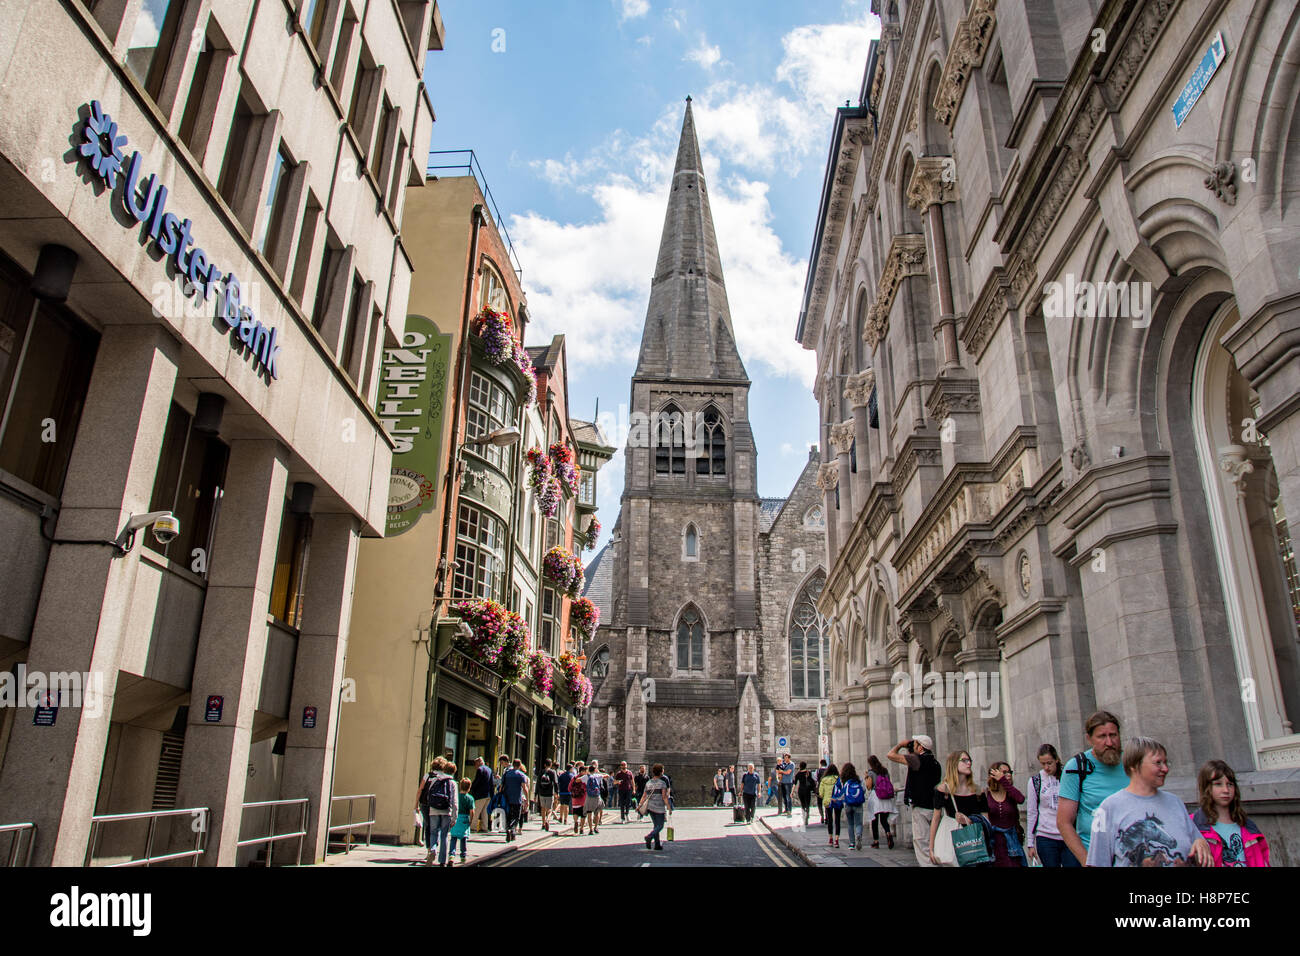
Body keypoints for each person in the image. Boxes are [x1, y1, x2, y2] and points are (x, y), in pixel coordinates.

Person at [1086, 738, 1212, 867]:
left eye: (1166, 762)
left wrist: (1200, 842)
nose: (1165, 769)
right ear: (1134, 765)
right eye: (1158, 763)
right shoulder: (1108, 808)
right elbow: (1097, 862)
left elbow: (1196, 842)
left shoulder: (1175, 803)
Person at [1057, 710, 1128, 867]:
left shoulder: (1132, 762)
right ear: (1089, 739)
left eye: (1113, 735)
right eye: (1102, 736)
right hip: (1096, 856)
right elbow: (1064, 822)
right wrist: (1087, 861)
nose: (1109, 742)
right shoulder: (1076, 767)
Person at [1192, 759, 1270, 867]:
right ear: (1206, 787)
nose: (1226, 790)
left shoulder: (1248, 826)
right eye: (1218, 784)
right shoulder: (1193, 825)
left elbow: (1262, 861)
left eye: (1230, 784)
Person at [887, 734, 941, 867]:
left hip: (921, 807)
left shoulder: (916, 760)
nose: (913, 745)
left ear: (921, 747)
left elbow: (891, 755)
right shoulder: (935, 763)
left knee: (922, 842)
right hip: (933, 806)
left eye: (915, 743)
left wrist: (900, 745)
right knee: (933, 841)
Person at [928, 751, 982, 866]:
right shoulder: (943, 790)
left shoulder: (978, 791)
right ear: (953, 764)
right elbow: (936, 818)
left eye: (969, 760)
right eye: (964, 760)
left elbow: (986, 820)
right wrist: (931, 848)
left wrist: (969, 820)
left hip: (974, 841)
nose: (969, 764)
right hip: (952, 840)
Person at [1026, 744, 1066, 867]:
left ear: (1056, 760)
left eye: (1049, 763)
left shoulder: (1067, 776)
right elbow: (1032, 812)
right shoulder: (1035, 781)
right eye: (1043, 764)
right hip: (1045, 835)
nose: (1046, 767)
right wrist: (1030, 843)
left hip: (1067, 834)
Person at [984, 761, 1026, 866]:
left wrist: (1003, 781)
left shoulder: (1011, 793)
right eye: (1004, 772)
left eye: (1010, 772)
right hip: (994, 845)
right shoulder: (985, 794)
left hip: (1012, 845)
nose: (1008, 775)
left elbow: (1021, 799)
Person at [418, 760, 458, 867]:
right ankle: (442, 862)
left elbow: (428, 796)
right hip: (446, 811)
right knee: (444, 835)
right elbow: (454, 802)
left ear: (444, 769)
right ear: (453, 772)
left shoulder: (435, 780)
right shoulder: (453, 783)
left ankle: (433, 849)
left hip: (434, 810)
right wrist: (454, 817)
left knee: (433, 832)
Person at [638, 763, 671, 850]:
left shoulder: (648, 783)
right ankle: (649, 836)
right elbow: (664, 797)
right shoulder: (662, 783)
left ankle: (657, 845)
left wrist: (639, 805)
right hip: (659, 807)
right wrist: (669, 807)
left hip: (650, 807)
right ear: (661, 772)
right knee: (660, 826)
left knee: (656, 825)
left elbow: (644, 796)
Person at [866, 756, 896, 849]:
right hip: (886, 798)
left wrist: (866, 777)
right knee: (883, 820)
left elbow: (869, 786)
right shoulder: (885, 771)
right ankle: (888, 833)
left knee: (874, 820)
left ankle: (876, 841)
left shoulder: (871, 772)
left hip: (876, 797)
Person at [837, 762, 866, 850]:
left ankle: (852, 843)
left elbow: (841, 793)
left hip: (848, 804)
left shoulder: (843, 781)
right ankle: (858, 835)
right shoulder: (859, 780)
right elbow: (863, 790)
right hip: (858, 804)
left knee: (850, 824)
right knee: (858, 823)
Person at [501, 758, 529, 842]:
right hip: (517, 799)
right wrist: (527, 800)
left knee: (508, 816)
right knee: (516, 816)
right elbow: (524, 788)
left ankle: (508, 830)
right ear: (520, 765)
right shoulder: (521, 775)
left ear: (513, 764)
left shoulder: (506, 774)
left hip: (507, 799)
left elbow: (502, 787)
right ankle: (512, 829)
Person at [449, 776, 473, 864]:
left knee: (453, 837)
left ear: (460, 786)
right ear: (469, 788)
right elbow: (472, 811)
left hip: (456, 818)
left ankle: (451, 855)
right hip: (464, 819)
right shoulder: (470, 798)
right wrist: (470, 820)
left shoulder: (456, 796)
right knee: (463, 838)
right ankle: (463, 856)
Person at [469, 756, 494, 833]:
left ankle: (473, 827)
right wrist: (492, 794)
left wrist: (471, 788)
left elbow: (477, 781)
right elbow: (491, 783)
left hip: (480, 794)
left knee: (476, 812)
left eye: (475, 764)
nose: (475, 766)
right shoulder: (489, 769)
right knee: (485, 813)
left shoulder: (480, 769)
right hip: (488, 794)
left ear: (478, 763)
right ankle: (484, 827)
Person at [819, 763, 840, 847]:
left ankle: (831, 839)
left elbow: (821, 793)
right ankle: (837, 840)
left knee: (830, 820)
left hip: (827, 802)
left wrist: (824, 796)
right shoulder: (838, 779)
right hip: (837, 801)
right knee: (837, 820)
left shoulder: (824, 780)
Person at [535, 758, 559, 831]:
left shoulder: (541, 772)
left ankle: (543, 824)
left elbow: (538, 783)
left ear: (544, 764)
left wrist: (536, 793)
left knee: (543, 808)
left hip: (542, 793)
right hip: (549, 793)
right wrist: (556, 792)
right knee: (549, 809)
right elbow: (555, 782)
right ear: (551, 764)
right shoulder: (552, 772)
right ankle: (547, 820)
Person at [793, 761, 816, 826]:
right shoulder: (809, 773)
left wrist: (792, 792)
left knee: (803, 805)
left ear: (800, 766)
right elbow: (812, 781)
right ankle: (807, 815)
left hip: (801, 790)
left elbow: (794, 783)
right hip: (807, 790)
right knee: (807, 804)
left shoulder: (798, 774)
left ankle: (804, 816)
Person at [585, 761, 605, 833]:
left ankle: (590, 829)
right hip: (596, 797)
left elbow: (577, 780)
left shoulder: (586, 777)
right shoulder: (598, 776)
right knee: (597, 813)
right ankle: (596, 827)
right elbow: (607, 776)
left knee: (589, 813)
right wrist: (599, 772)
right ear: (595, 770)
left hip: (589, 797)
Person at [569, 761, 587, 834]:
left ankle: (576, 822)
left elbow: (569, 787)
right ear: (583, 771)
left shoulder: (574, 778)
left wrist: (573, 793)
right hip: (583, 799)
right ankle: (582, 828)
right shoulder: (585, 778)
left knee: (575, 812)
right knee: (583, 815)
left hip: (575, 799)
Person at [557, 762, 574, 827]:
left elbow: (559, 783)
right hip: (568, 792)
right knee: (566, 806)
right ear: (570, 769)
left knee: (561, 804)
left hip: (562, 792)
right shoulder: (572, 776)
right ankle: (565, 819)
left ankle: (561, 817)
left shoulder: (562, 775)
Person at [814, 759, 828, 824]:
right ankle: (827, 816)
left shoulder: (818, 771)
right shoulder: (828, 771)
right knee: (826, 803)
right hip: (827, 788)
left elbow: (816, 779)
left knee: (819, 803)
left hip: (820, 788)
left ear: (821, 764)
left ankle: (822, 816)